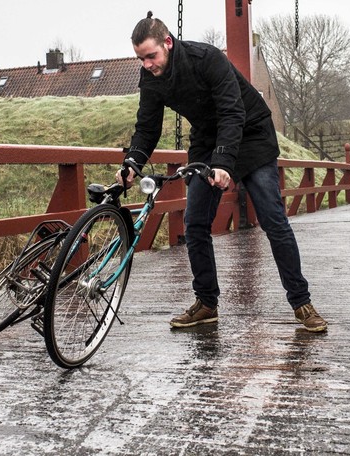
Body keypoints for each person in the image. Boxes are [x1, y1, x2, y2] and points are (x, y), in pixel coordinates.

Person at [116, 11, 327, 332]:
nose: (146, 64)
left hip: (251, 133)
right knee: (195, 223)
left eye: (151, 56)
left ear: (168, 43)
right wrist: (132, 163)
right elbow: (147, 127)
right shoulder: (150, 77)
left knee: (274, 220)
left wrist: (224, 164)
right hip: (207, 139)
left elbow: (232, 111)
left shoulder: (207, 59)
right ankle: (206, 303)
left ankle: (301, 302)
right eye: (140, 58)